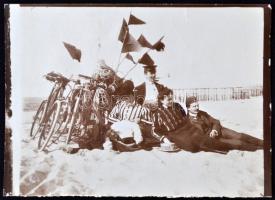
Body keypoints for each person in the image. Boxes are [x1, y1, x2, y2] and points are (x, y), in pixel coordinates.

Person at [151, 89, 244, 154]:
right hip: (175, 134)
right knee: (195, 144)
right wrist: (164, 139)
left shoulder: (177, 106)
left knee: (203, 138)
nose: (171, 101)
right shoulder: (158, 113)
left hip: (188, 128)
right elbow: (154, 130)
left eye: (172, 98)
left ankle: (234, 144)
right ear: (162, 100)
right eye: (169, 99)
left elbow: (185, 117)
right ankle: (232, 145)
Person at [185, 96, 263, 151]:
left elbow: (216, 121)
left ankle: (264, 143)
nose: (197, 108)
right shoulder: (188, 122)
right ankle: (261, 148)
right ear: (188, 108)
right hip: (213, 140)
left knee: (239, 136)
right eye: (194, 106)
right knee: (237, 143)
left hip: (220, 130)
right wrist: (210, 137)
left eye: (197, 105)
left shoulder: (203, 113)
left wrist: (214, 130)